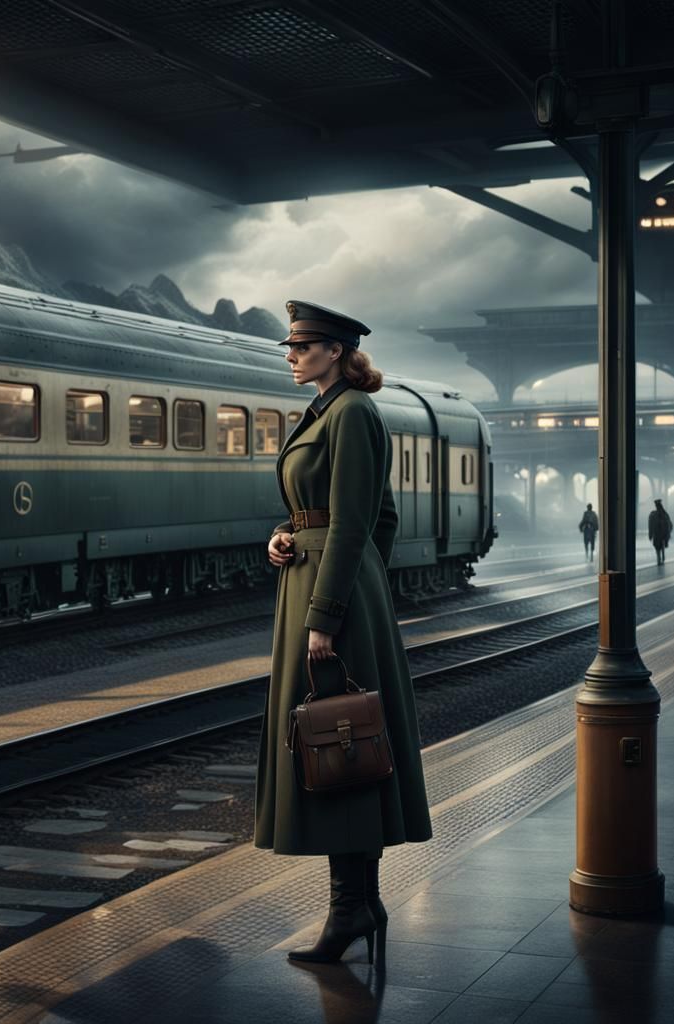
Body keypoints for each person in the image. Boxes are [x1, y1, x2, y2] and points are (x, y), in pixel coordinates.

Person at [255, 299, 432, 971]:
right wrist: (285, 535)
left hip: (330, 599)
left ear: (335, 351)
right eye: (290, 346)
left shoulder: (352, 412)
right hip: (322, 582)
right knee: (338, 745)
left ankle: (349, 909)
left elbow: (360, 520)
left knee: (341, 742)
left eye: (302, 346)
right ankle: (358, 905)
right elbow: (350, 514)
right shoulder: (326, 411)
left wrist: (334, 609)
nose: (292, 355)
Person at [648, 498, 673, 566]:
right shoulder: (664, 514)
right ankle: (661, 558)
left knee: (658, 548)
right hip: (661, 535)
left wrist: (650, 535)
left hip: (658, 535)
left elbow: (650, 526)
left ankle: (659, 559)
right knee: (660, 547)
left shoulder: (653, 515)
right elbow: (670, 524)